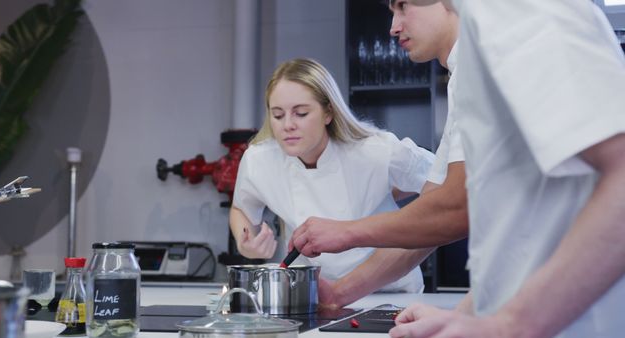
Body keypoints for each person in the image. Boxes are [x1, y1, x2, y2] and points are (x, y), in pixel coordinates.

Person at [389, 0, 625, 337]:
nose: (394, 26)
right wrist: (468, 314)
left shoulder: (511, 8)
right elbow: (532, 221)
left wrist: (512, 324)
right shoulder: (482, 27)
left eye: (402, 5)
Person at [230, 58, 435, 307]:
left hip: (390, 296)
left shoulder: (375, 150)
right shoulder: (260, 160)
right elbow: (241, 208)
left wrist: (397, 196)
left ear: (328, 112)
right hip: (315, 298)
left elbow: (448, 185)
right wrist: (247, 244)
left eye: (301, 113)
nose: (288, 125)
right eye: (278, 115)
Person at [289, 1, 467, 257]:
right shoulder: (461, 77)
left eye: (403, 6)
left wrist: (347, 232)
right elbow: (430, 217)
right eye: (277, 114)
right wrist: (340, 292)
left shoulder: (477, 71)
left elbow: (455, 207)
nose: (393, 28)